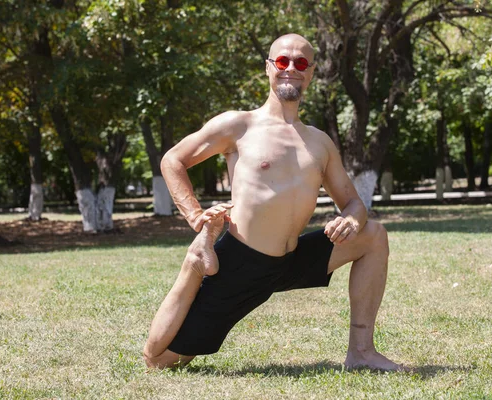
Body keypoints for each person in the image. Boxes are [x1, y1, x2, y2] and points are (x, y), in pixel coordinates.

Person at [143, 33, 403, 371]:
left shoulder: (320, 143)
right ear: (269, 68)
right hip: (240, 263)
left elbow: (353, 202)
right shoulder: (239, 125)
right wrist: (195, 215)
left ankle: (362, 352)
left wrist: (352, 219)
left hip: (291, 260)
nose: (290, 68)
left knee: (373, 236)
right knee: (160, 360)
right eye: (282, 61)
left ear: (310, 72)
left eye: (300, 63)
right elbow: (173, 160)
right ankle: (195, 260)